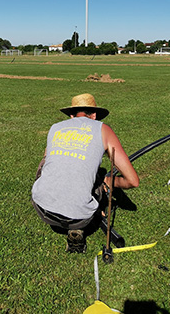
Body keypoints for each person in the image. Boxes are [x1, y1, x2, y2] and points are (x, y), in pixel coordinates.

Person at [31, 93, 139, 253]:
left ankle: (57, 201)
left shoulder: (55, 127)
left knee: (46, 160)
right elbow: (133, 181)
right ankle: (79, 222)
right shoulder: (103, 129)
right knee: (96, 180)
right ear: (94, 115)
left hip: (42, 207)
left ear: (71, 115)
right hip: (79, 217)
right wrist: (109, 181)